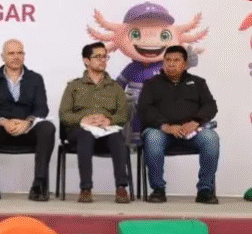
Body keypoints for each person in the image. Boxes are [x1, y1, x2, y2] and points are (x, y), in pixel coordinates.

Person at [138, 45, 219, 204]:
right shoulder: (151, 84)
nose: (171, 64)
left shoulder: (198, 83)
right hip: (162, 131)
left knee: (211, 138)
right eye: (167, 60)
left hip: (191, 132)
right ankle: (158, 189)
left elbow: (210, 106)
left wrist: (196, 122)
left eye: (176, 60)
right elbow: (144, 109)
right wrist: (165, 126)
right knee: (152, 138)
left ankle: (205, 190)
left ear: (185, 64)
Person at [0, 39, 55, 201]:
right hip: (2, 131)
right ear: (3, 57)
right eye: (11, 53)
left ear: (24, 56)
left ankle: (38, 185)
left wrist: (28, 122)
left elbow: (42, 109)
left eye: (20, 53)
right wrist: (4, 122)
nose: (16, 57)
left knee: (47, 127)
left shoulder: (35, 78)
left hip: (28, 130)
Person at [59, 42, 130, 203]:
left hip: (106, 131)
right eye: (98, 57)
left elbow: (123, 115)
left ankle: (121, 188)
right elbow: (64, 114)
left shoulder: (115, 88)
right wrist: (82, 119)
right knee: (85, 134)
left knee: (117, 137)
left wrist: (109, 120)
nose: (103, 60)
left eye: (105, 57)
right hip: (80, 132)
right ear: (86, 61)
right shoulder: (74, 86)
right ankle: (86, 189)